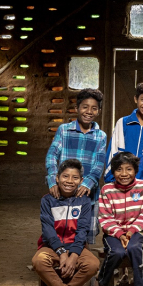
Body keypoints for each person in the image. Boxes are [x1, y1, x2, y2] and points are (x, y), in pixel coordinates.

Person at [32, 159, 99, 286]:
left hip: (76, 246)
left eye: (75, 178)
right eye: (65, 176)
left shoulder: (84, 201)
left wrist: (74, 255)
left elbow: (82, 231)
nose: (69, 181)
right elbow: (48, 229)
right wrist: (61, 252)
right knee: (38, 261)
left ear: (81, 181)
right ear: (57, 178)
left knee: (92, 264)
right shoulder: (47, 200)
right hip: (52, 246)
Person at [93, 152, 143, 286]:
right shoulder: (107, 190)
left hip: (137, 232)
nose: (124, 174)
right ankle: (99, 282)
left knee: (135, 247)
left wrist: (131, 231)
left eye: (129, 169)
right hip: (113, 233)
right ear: (113, 172)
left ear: (135, 170)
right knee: (117, 252)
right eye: (119, 170)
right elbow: (105, 218)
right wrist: (120, 234)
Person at [45, 88, 107, 244]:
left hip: (86, 195)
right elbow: (52, 155)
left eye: (94, 108)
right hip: (64, 191)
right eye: (85, 107)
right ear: (76, 108)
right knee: (61, 229)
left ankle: (82, 264)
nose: (89, 111)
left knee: (84, 233)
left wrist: (88, 182)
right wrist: (53, 179)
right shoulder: (64, 131)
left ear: (99, 111)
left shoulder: (101, 136)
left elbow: (99, 163)